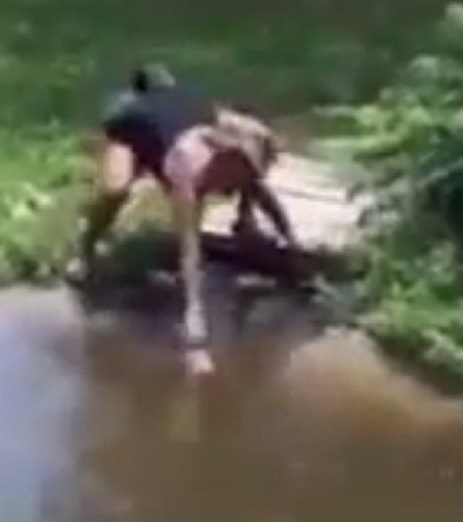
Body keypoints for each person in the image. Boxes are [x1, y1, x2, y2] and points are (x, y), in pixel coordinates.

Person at [76, 65, 299, 375]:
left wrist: (290, 241)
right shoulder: (189, 171)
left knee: (250, 191)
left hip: (179, 112)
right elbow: (189, 249)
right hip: (137, 124)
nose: (245, 175)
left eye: (250, 168)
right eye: (240, 168)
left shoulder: (242, 160)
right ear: (221, 160)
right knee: (117, 189)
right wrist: (196, 323)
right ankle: (86, 246)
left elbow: (262, 193)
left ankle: (243, 222)